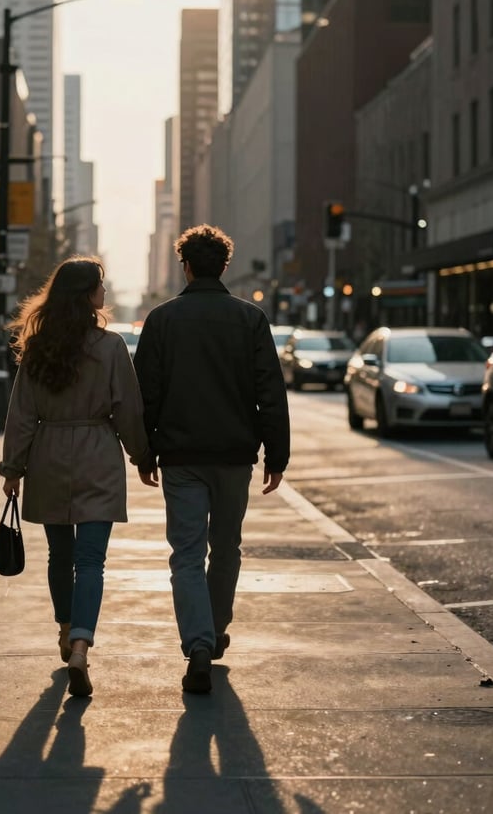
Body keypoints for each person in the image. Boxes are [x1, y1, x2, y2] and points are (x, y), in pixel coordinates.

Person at [133, 224, 290, 695]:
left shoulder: (161, 320)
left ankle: (198, 644)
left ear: (185, 265)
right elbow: (270, 392)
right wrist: (276, 454)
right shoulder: (250, 319)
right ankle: (215, 628)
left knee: (185, 553)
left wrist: (144, 453)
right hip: (234, 455)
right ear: (224, 266)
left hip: (181, 456)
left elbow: (146, 394)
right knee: (226, 548)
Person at [0, 256, 152, 698]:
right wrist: (141, 455)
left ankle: (65, 630)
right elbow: (127, 407)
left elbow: (22, 412)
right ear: (88, 294)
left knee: (58, 557)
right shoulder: (110, 346)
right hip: (97, 455)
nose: (105, 292)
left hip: (49, 455)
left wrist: (13, 468)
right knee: (91, 562)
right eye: (100, 285)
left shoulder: (38, 345)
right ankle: (82, 643)